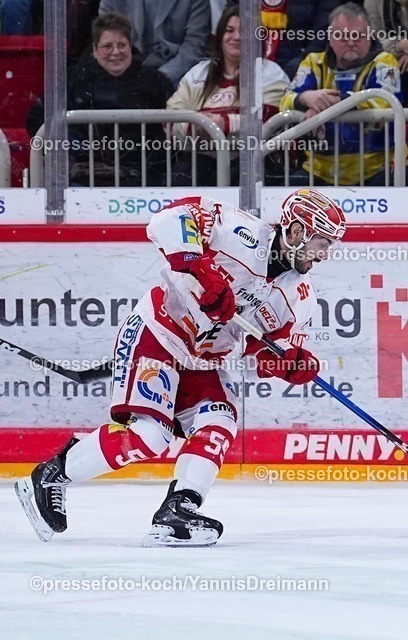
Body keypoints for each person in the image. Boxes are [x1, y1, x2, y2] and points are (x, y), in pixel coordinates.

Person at [15, 188, 346, 547]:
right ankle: (51, 476)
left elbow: (258, 354)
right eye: (322, 242)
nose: (324, 255)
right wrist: (199, 267)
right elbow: (168, 219)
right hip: (159, 331)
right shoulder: (238, 231)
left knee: (219, 421)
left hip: (206, 360)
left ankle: (180, 509)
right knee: (150, 435)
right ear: (296, 231)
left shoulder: (300, 298)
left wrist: (285, 364)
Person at [25, 12, 174, 187]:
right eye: (107, 46)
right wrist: (71, 145)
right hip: (81, 177)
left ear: (130, 46)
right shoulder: (72, 80)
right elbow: (36, 119)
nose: (116, 52)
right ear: (95, 49)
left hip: (143, 177)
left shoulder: (156, 82)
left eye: (122, 45)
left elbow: (171, 129)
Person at [280, 3, 403, 186]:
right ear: (330, 37)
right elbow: (285, 102)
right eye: (343, 36)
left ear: (369, 36)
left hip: (377, 169)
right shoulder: (313, 62)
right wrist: (306, 99)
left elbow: (385, 103)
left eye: (358, 36)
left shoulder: (384, 61)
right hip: (319, 171)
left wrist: (330, 103)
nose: (351, 42)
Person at [166, 5, 290, 185]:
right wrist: (194, 128)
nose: (237, 37)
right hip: (201, 161)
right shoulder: (197, 73)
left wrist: (221, 124)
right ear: (219, 36)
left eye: (244, 31)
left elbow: (269, 120)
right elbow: (171, 117)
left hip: (253, 161)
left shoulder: (271, 73)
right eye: (229, 30)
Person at [98, 0, 211, 84]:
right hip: (125, 70)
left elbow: (195, 45)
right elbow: (104, 35)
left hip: (174, 73)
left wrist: (162, 76)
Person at [229, 0, 340, 78]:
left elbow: (322, 36)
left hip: (295, 69)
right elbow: (229, 24)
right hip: (245, 69)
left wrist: (296, 66)